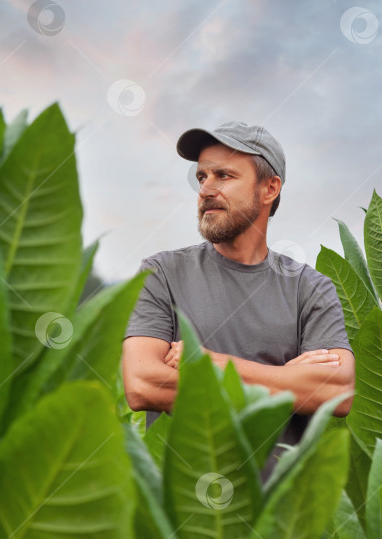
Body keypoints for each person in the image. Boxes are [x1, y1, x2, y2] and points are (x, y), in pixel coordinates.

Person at [121, 121, 355, 481]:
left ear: (269, 189)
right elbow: (143, 385)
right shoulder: (161, 273)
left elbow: (337, 393)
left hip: (276, 516)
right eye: (202, 178)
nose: (206, 190)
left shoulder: (310, 288)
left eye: (224, 176)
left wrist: (208, 364)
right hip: (179, 513)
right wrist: (287, 383)